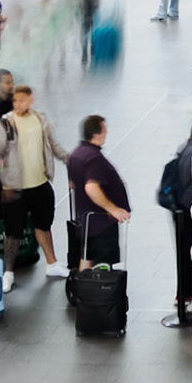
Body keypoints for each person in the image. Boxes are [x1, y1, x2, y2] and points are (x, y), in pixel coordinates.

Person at [0, 85, 70, 292]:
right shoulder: (5, 124)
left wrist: (68, 159)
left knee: (43, 225)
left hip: (39, 184)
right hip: (15, 188)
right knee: (13, 232)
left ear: (31, 100)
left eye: (22, 100)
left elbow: (52, 144)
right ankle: (8, 272)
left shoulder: (40, 119)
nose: (18, 105)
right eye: (15, 101)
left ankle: (52, 263)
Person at [68, 115, 131, 270]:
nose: (107, 133)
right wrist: (113, 209)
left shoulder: (76, 154)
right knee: (103, 265)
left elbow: (73, 184)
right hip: (101, 224)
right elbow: (91, 188)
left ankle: (82, 289)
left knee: (86, 257)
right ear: (97, 133)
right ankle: (100, 292)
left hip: (85, 221)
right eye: (104, 129)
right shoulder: (93, 157)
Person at [162, 119, 192, 327]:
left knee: (185, 255)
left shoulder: (185, 148)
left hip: (180, 209)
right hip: (187, 212)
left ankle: (184, 295)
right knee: (189, 255)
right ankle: (187, 297)